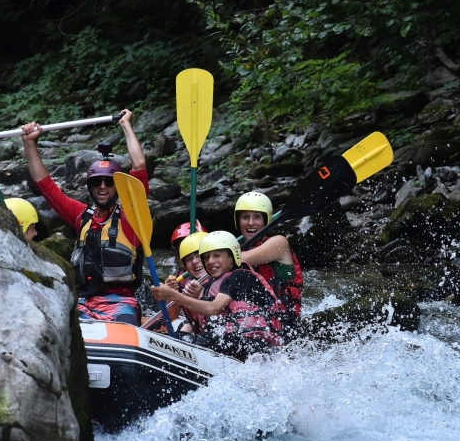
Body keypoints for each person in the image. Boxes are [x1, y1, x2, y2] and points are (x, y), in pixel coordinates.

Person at [21, 110, 149, 325]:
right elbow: (46, 187)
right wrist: (30, 144)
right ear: (89, 187)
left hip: (121, 302)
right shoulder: (81, 216)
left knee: (125, 324)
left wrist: (126, 125)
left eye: (108, 183)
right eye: (96, 182)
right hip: (84, 301)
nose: (102, 187)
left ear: (117, 187)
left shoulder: (131, 217)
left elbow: (139, 168)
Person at [151, 231, 284, 359]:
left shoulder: (240, 275)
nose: (210, 261)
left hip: (251, 344)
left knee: (171, 341)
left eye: (217, 255)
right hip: (231, 343)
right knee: (171, 337)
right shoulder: (210, 286)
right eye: (207, 257)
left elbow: (214, 308)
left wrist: (172, 294)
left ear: (231, 257)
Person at [234, 192, 303, 331]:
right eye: (245, 217)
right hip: (252, 323)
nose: (251, 223)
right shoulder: (237, 249)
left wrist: (209, 249)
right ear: (238, 221)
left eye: (257, 217)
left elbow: (239, 259)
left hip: (284, 327)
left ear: (266, 220)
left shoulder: (279, 243)